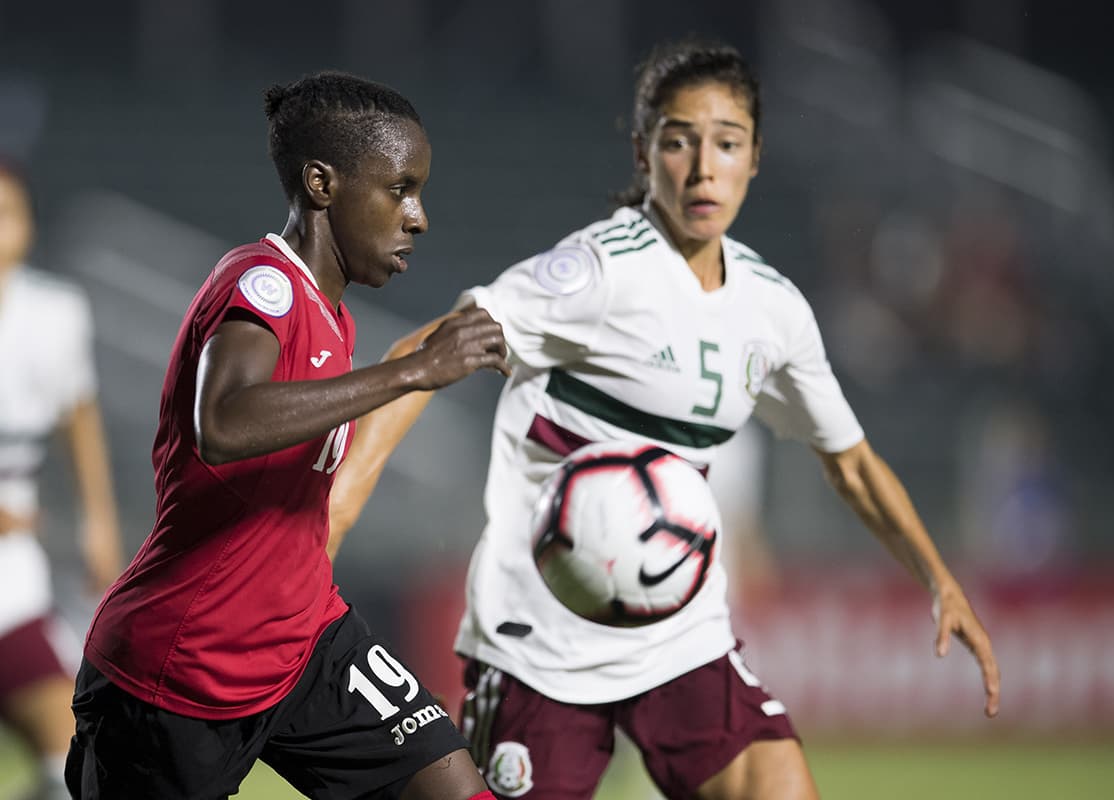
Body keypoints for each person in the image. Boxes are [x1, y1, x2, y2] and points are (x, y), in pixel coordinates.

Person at [330, 40, 1001, 800]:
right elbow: (429, 348)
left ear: (754, 158)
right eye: (679, 140)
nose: (703, 166)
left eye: (727, 143)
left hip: (681, 635)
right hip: (539, 644)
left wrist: (939, 579)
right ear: (645, 154)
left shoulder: (772, 310)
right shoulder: (598, 273)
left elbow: (849, 461)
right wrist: (338, 506)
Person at [65, 72, 510, 800]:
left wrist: (409, 368)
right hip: (180, 677)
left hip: (305, 644)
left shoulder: (334, 317)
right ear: (321, 183)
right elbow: (225, 420)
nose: (419, 216)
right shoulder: (260, 284)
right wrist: (414, 373)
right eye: (399, 189)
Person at [0, 158, 124, 800]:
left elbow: (81, 417)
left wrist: (96, 524)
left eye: (6, 215)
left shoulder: (53, 313)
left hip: (10, 580)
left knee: (72, 761)